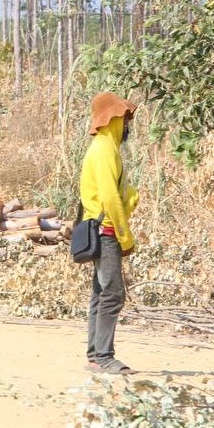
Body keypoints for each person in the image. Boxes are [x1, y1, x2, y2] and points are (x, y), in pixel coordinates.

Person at [79, 92, 140, 375]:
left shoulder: (104, 147)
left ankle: (96, 356)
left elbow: (115, 193)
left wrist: (132, 197)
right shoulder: (104, 149)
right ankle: (103, 357)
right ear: (112, 119)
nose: (127, 124)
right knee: (113, 294)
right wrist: (125, 236)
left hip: (100, 228)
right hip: (106, 231)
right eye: (124, 118)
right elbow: (109, 198)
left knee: (101, 293)